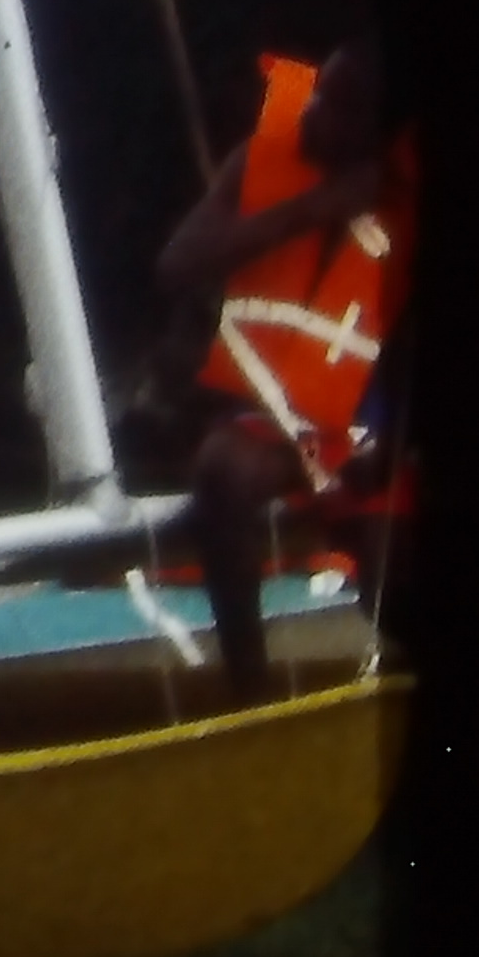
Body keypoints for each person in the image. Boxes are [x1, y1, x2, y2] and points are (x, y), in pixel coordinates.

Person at [139, 40, 412, 703]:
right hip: (274, 410)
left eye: (340, 109)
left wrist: (395, 446)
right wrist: (311, 209)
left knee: (393, 560)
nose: (314, 113)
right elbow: (175, 266)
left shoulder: (411, 196)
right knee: (223, 472)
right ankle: (250, 693)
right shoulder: (263, 160)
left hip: (374, 415)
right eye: (319, 95)